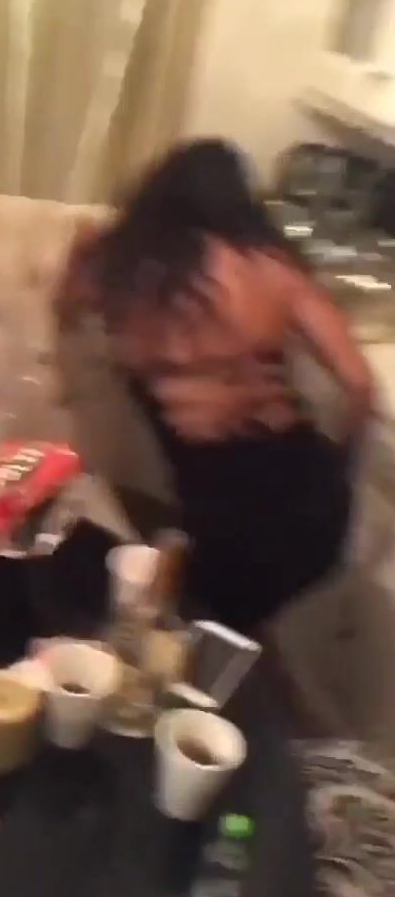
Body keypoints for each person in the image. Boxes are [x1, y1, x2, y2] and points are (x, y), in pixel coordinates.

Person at [55, 140, 373, 632]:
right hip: (311, 496)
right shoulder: (275, 269)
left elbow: (68, 312)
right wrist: (338, 462)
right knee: (215, 631)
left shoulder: (126, 266)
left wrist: (81, 254)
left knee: (181, 632)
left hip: (224, 510)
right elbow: (359, 383)